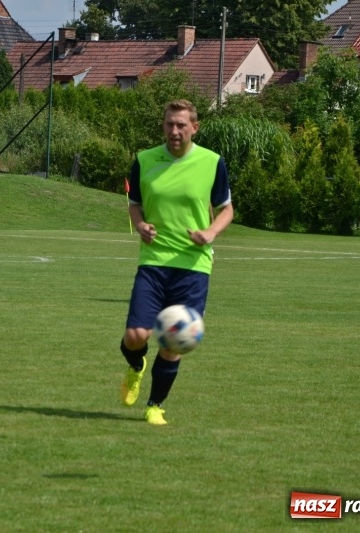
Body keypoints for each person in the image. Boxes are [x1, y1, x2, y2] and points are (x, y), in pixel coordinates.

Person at [119, 99, 234, 426]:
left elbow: (227, 209)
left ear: (194, 127)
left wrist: (211, 232)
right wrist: (140, 225)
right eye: (169, 124)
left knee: (173, 341)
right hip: (154, 261)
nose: (174, 131)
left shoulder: (212, 163)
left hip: (194, 266)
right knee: (135, 335)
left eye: (181, 125)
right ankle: (137, 365)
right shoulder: (144, 161)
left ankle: (155, 405)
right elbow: (135, 205)